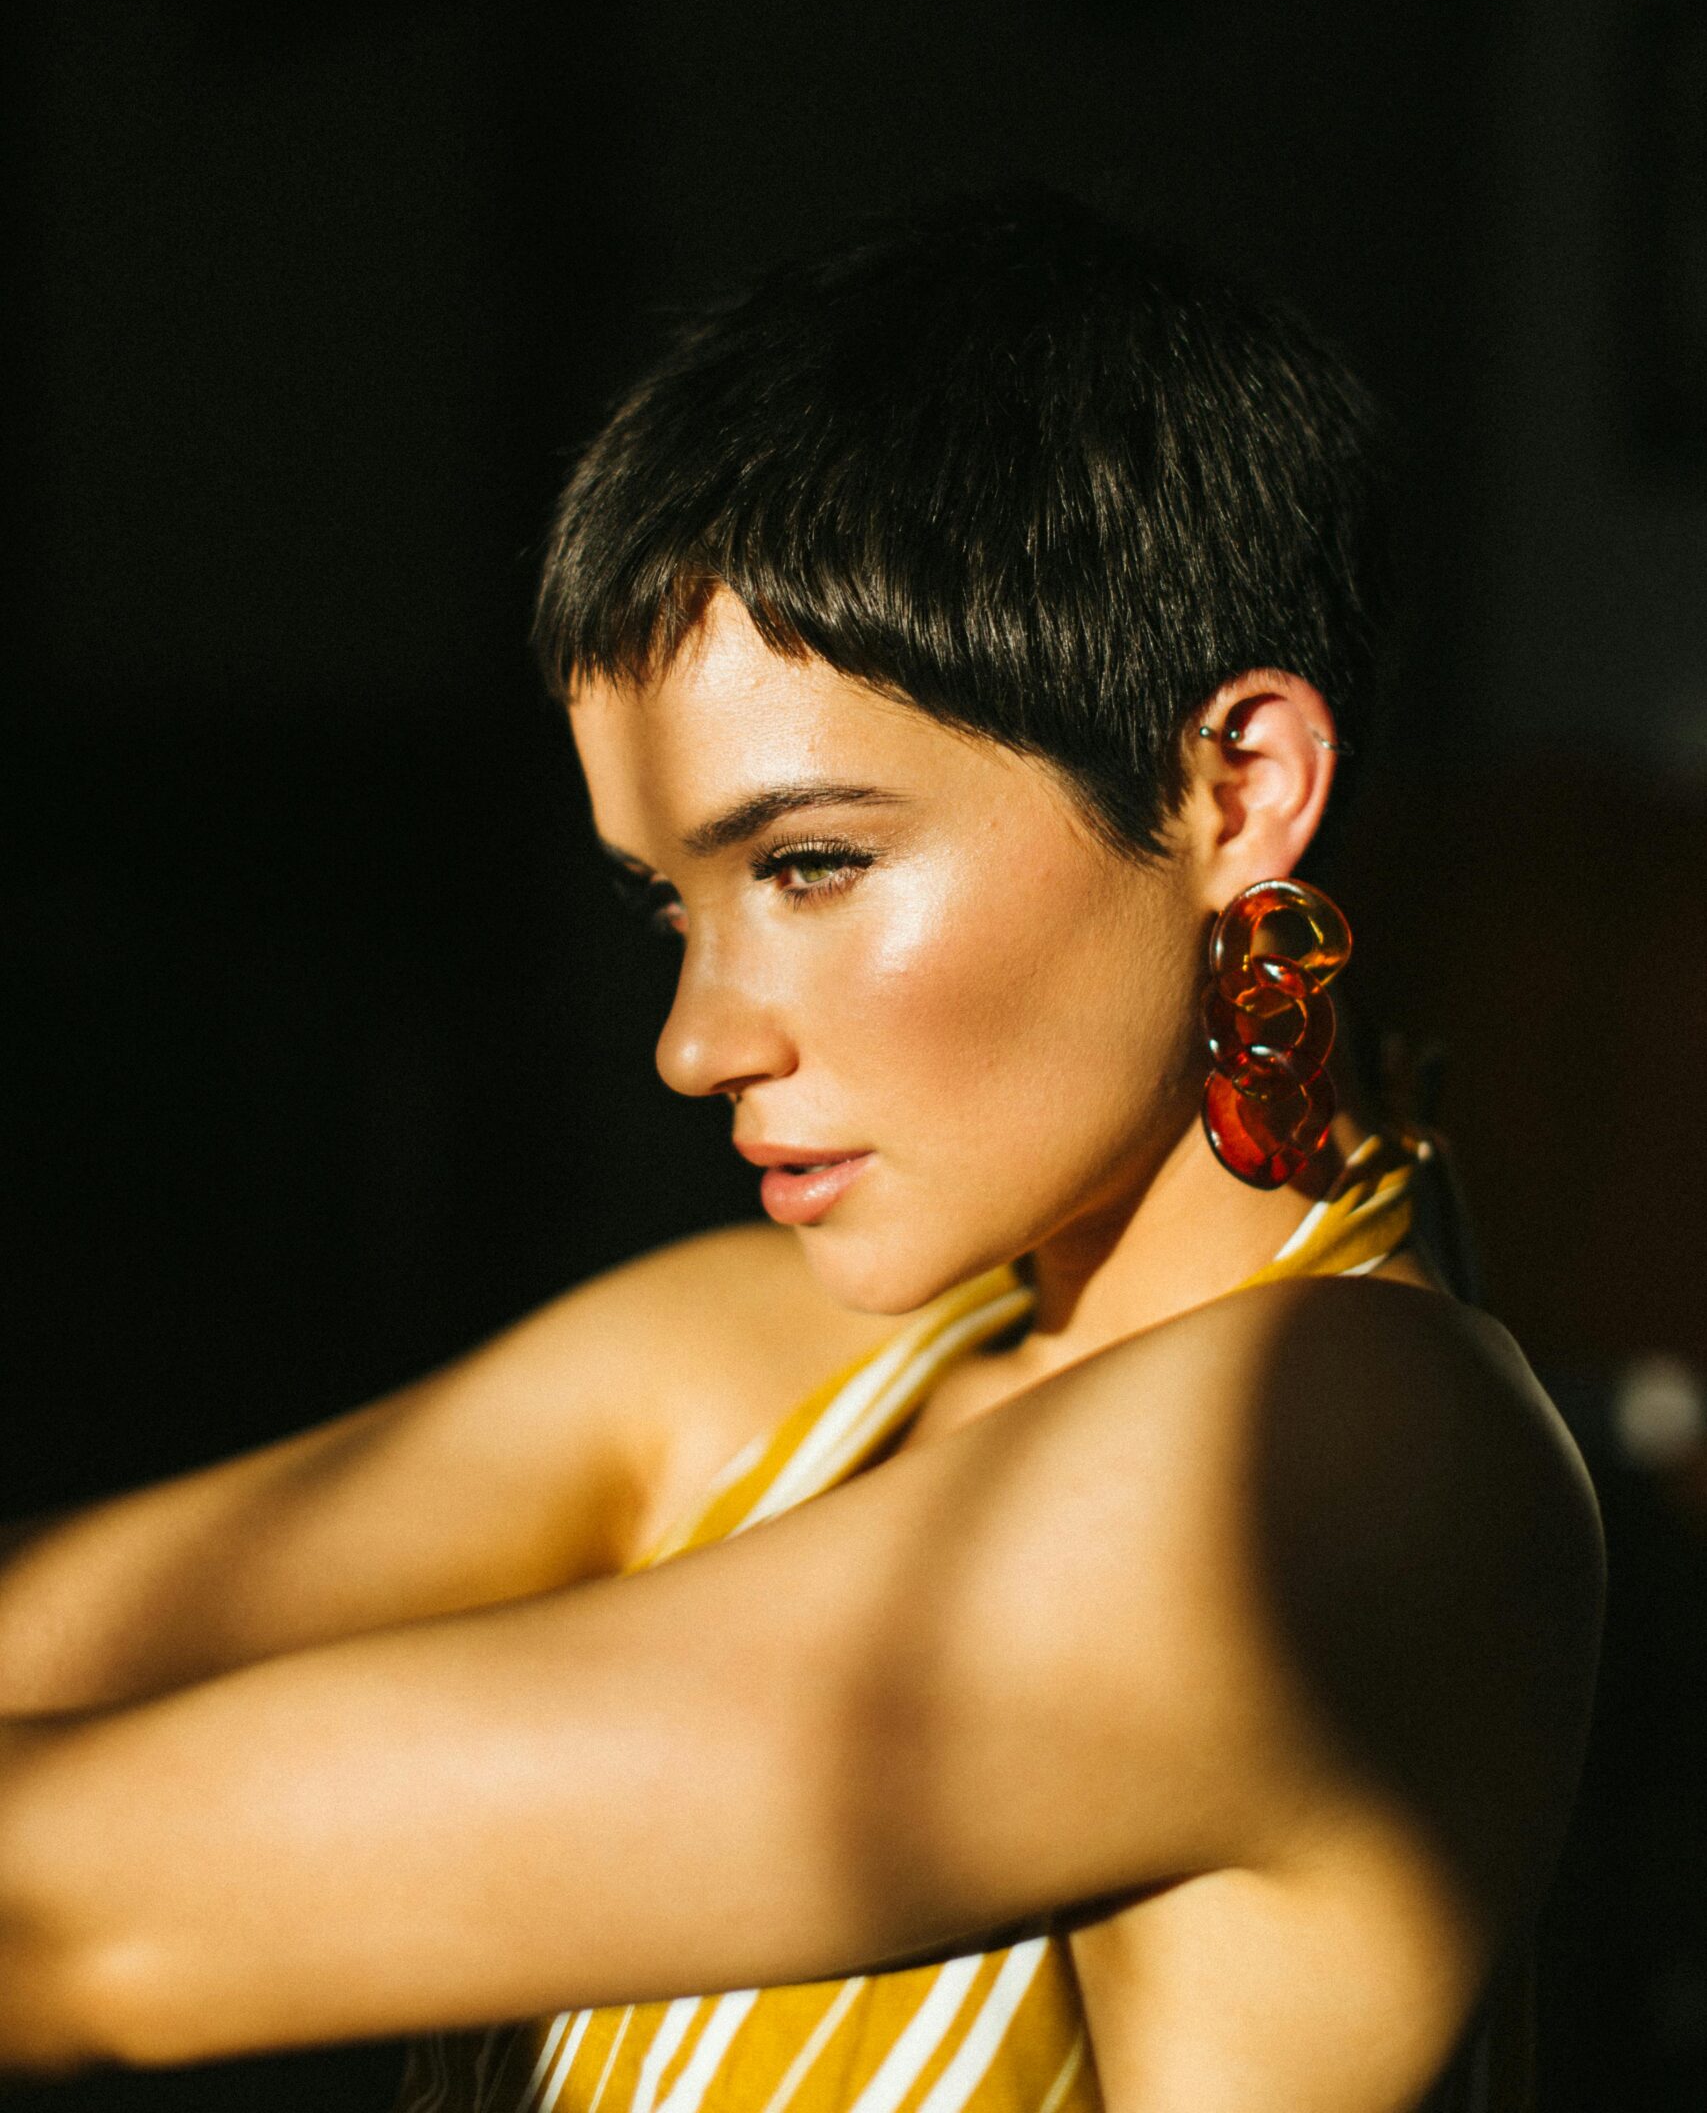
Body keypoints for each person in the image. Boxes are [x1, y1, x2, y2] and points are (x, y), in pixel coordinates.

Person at [0, 192, 1601, 2113]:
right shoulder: (750, 1366)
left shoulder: (1346, 1451)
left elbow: (88, 1918)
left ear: (1234, 784)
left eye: (812, 863)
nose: (694, 1044)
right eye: (669, 905)